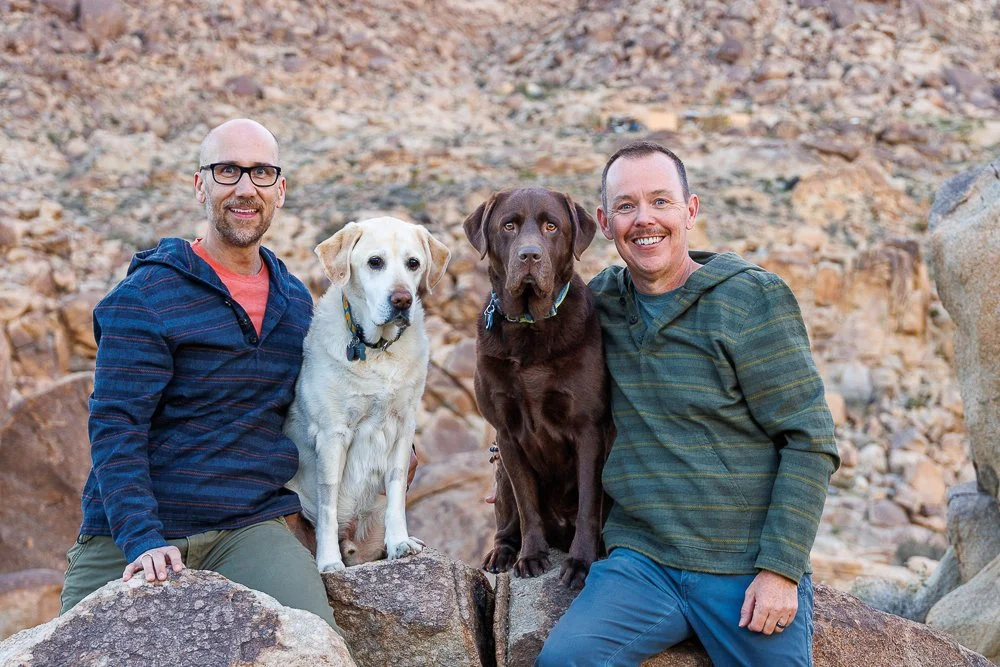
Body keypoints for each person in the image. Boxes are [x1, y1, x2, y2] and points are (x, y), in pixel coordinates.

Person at [537, 141, 841, 666]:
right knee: (565, 661)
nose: (644, 220)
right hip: (641, 563)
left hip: (742, 568)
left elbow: (809, 440)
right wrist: (512, 465)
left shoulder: (751, 300)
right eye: (627, 206)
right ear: (606, 223)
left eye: (661, 201)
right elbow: (543, 383)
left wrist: (781, 570)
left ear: (690, 210)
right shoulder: (599, 303)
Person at [59, 118, 341, 634]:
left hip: (247, 530)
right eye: (227, 170)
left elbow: (316, 407)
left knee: (316, 644)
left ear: (280, 191)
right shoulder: (145, 298)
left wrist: (388, 443)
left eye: (260, 173)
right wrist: (143, 539)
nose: (244, 188)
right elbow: (116, 427)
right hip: (131, 533)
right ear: (200, 185)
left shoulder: (296, 303)